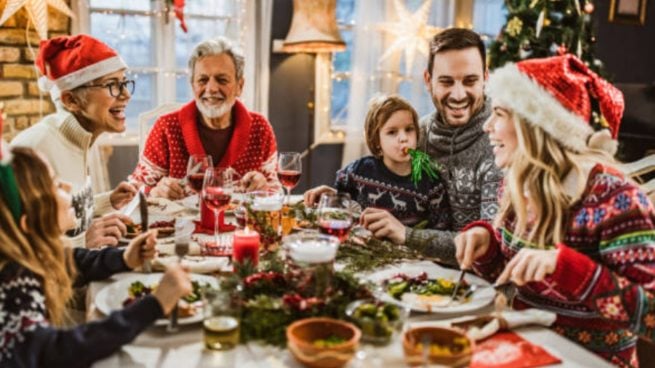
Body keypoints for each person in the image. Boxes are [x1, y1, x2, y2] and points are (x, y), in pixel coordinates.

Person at [455, 54, 654, 366]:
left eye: (499, 114)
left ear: (536, 127)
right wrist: (486, 245)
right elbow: (509, 277)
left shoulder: (616, 200)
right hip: (525, 351)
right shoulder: (517, 185)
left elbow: (650, 318)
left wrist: (567, 268)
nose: (487, 126)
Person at [0, 145, 192, 367]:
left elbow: (73, 260)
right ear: (30, 223)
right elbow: (56, 351)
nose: (68, 186)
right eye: (55, 185)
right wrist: (155, 304)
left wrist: (124, 258)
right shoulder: (14, 283)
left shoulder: (31, 256)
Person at [355, 28, 502, 263]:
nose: (458, 94)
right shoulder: (417, 135)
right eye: (446, 82)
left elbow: (491, 246)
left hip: (482, 287)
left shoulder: (501, 143)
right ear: (428, 80)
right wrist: (340, 198)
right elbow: (377, 188)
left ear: (485, 78)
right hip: (414, 272)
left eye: (470, 81)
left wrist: (407, 235)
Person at [11, 34, 138, 249]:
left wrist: (108, 201)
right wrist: (83, 242)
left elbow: (63, 216)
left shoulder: (80, 136)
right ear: (71, 101)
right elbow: (15, 246)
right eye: (112, 85)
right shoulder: (34, 150)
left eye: (124, 83)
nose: (126, 94)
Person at [129, 36, 279, 199]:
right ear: (193, 85)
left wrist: (264, 188)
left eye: (222, 80)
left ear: (239, 86)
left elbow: (275, 191)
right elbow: (134, 191)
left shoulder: (260, 128)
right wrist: (154, 191)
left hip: (240, 224)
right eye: (202, 80)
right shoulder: (167, 127)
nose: (212, 88)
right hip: (177, 224)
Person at [304, 95, 450, 230]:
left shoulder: (431, 183)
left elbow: (439, 230)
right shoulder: (358, 171)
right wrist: (331, 197)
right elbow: (343, 211)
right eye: (392, 132)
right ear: (376, 140)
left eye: (409, 129)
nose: (404, 138)